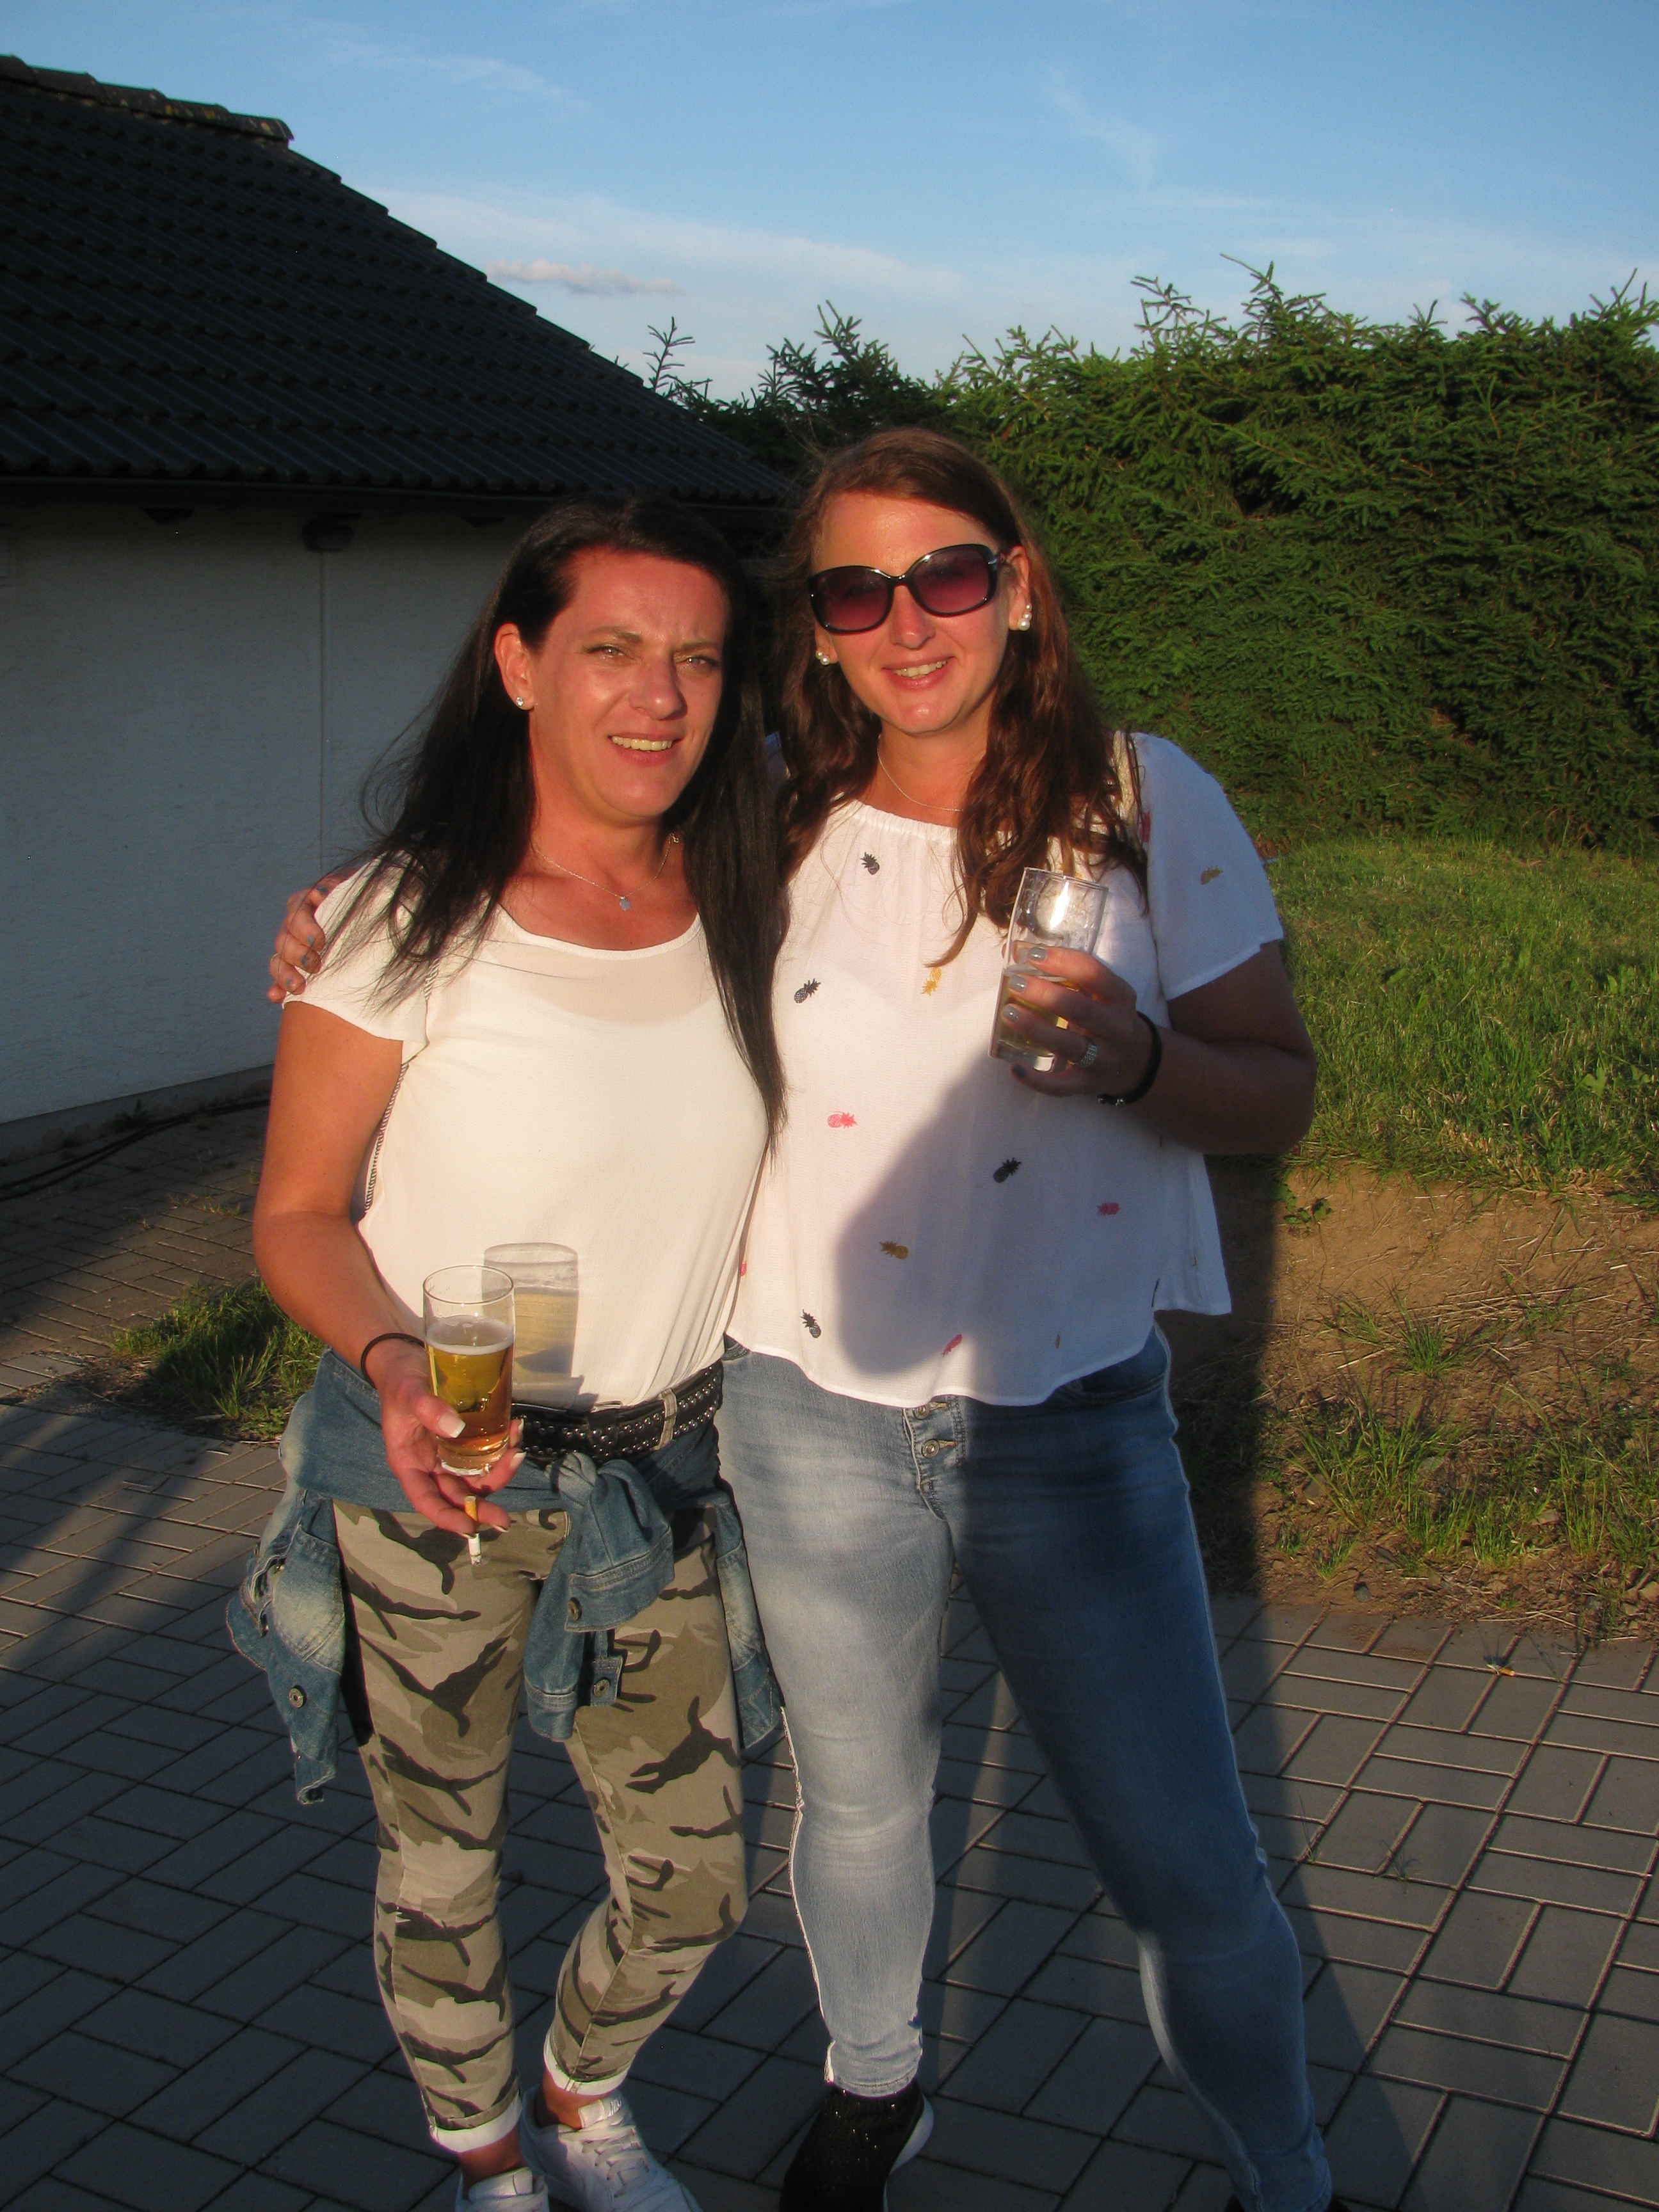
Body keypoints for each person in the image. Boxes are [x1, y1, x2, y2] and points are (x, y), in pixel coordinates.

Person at [273, 431, 1345, 2212]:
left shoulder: (1145, 801)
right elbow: (547, 865)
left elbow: (1281, 1088)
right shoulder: (772, 809)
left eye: (946, 574)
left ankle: (1287, 2172)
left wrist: (1147, 1060)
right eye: (856, 590)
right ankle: (875, 2084)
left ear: (1018, 587)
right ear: (824, 631)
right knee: (854, 1808)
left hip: (1063, 1417)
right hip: (804, 1413)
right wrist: (346, 917)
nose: (906, 620)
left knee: (1185, 1861)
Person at [246, 495, 785, 2212]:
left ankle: (579, 2091)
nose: (659, 695)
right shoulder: (404, 915)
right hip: (440, 1474)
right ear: (519, 665)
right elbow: (296, 1216)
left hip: (660, 1478)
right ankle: (486, 2162)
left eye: (699, 658)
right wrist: (395, 1365)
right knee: (442, 1859)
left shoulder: (760, 894)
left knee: (695, 1878)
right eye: (611, 649)